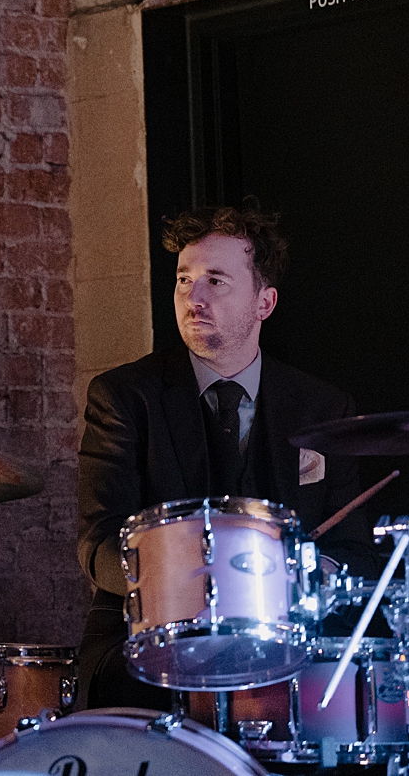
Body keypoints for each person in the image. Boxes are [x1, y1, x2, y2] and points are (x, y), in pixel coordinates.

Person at [74, 203, 363, 709]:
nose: (194, 298)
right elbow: (98, 543)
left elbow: (352, 547)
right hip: (147, 637)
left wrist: (310, 576)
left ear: (264, 302)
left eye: (215, 281)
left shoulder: (322, 408)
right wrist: (192, 587)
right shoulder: (123, 396)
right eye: (184, 280)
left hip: (286, 634)